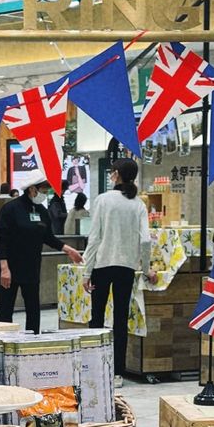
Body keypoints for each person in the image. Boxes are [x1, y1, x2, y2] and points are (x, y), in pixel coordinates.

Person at [83, 158, 154, 385]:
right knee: (120, 319)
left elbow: (94, 238)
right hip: (126, 267)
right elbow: (145, 240)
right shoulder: (138, 204)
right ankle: (117, 373)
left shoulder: (103, 200)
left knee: (97, 317)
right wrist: (145, 268)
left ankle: (93, 367)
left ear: (115, 175)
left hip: (102, 265)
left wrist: (86, 272)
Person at [0, 170, 82, 333]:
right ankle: (3, 341)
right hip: (10, 266)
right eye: (44, 188)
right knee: (6, 308)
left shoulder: (42, 211)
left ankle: (33, 339)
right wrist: (4, 267)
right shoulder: (10, 209)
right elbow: (1, 240)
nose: (46, 192)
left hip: (31, 265)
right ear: (32, 189)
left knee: (33, 307)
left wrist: (68, 249)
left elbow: (48, 237)